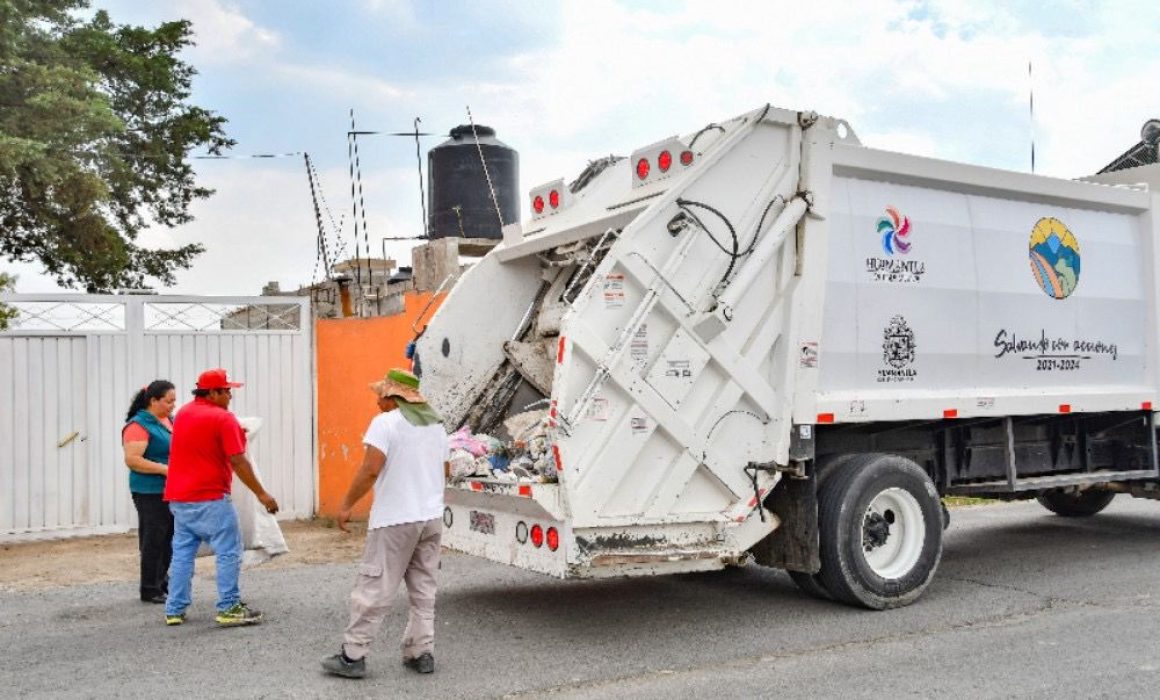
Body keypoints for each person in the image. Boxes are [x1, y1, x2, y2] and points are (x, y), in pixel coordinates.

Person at [321, 368, 450, 679]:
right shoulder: (436, 426)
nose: (377, 402)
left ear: (394, 397)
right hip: (430, 518)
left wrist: (346, 504)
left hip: (395, 519)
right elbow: (445, 470)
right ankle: (421, 652)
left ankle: (352, 656)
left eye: (380, 396)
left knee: (374, 587)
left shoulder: (385, 423)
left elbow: (370, 470)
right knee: (423, 589)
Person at [163, 368, 279, 628]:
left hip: (179, 497)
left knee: (182, 554)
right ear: (213, 393)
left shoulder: (183, 413)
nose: (230, 396)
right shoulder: (223, 418)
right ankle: (229, 606)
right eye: (226, 391)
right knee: (228, 551)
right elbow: (238, 460)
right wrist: (262, 494)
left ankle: (174, 609)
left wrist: (236, 430)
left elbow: (202, 439)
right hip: (210, 496)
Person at [122, 380, 177, 604]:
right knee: (154, 539)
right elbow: (133, 460)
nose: (173, 405)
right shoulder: (138, 425)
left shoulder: (168, 420)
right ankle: (150, 588)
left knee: (169, 538)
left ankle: (161, 581)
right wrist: (165, 469)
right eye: (169, 401)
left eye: (174, 401)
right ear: (153, 400)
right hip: (149, 490)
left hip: (171, 488)